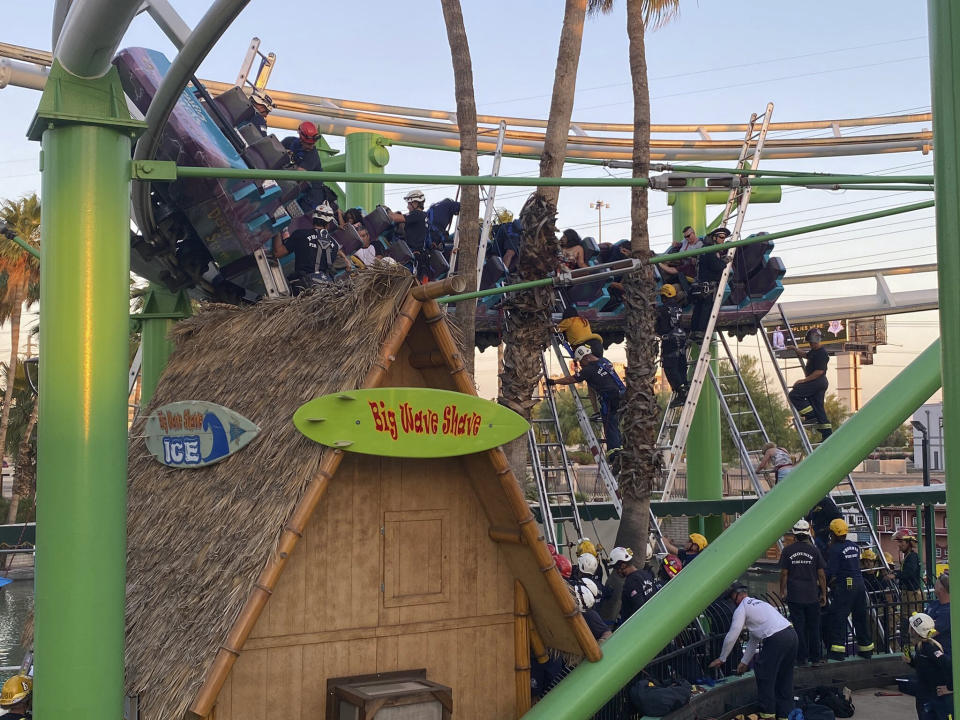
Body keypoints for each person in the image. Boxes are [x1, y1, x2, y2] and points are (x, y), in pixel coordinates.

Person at [708, 583, 798, 720]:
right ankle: (784, 715)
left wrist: (722, 658)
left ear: (736, 596)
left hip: (776, 639)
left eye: (731, 598)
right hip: (791, 635)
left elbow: (732, 635)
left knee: (764, 675)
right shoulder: (760, 604)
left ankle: (767, 715)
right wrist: (744, 662)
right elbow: (753, 640)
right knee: (784, 678)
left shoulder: (742, 608)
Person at [547, 345, 625, 457]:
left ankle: (614, 453)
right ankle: (620, 447)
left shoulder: (589, 370)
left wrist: (554, 382)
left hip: (609, 398)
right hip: (621, 394)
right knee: (615, 423)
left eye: (581, 361)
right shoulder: (605, 361)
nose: (581, 365)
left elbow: (571, 379)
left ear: (586, 357)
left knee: (609, 425)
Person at [824, 518, 874, 660]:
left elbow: (831, 571)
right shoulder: (854, 546)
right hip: (859, 583)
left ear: (832, 534)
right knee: (860, 616)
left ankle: (838, 651)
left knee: (838, 616)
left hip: (848, 583)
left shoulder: (834, 549)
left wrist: (822, 584)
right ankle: (866, 649)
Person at [778, 519, 827, 665]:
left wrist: (782, 591)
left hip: (795, 596)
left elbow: (784, 574)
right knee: (814, 627)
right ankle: (816, 658)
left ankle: (801, 658)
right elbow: (821, 575)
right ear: (807, 533)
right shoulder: (814, 550)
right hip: (812, 596)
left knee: (799, 627)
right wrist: (824, 593)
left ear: (794, 534)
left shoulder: (787, 551)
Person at [274, 203, 339, 294]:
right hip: (322, 292)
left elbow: (278, 253)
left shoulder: (300, 234)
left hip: (301, 289)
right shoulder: (335, 246)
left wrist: (277, 230)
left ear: (313, 219)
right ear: (328, 224)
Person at [904, 612, 953, 720]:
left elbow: (949, 664)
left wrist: (950, 688)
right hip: (925, 694)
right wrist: (911, 662)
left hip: (935, 698)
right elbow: (925, 668)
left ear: (914, 631)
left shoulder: (929, 648)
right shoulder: (920, 647)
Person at [788, 328, 833, 441]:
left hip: (817, 382)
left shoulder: (822, 353)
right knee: (819, 408)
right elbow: (806, 355)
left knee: (795, 394)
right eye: (810, 342)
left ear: (817, 340)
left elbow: (819, 371)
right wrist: (795, 349)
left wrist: (804, 380)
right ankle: (827, 434)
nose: (811, 344)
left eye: (812, 342)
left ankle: (811, 416)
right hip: (818, 383)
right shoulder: (815, 351)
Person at [689, 227, 732, 343]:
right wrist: (724, 261)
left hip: (700, 285)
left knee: (698, 308)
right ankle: (701, 333)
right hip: (708, 286)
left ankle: (694, 332)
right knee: (706, 309)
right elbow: (716, 265)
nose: (723, 240)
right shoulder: (711, 250)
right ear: (715, 238)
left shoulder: (704, 249)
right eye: (721, 237)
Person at [887, 528, 926, 644]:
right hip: (909, 594)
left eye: (901, 542)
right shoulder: (909, 557)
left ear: (909, 542)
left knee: (909, 624)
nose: (899, 545)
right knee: (907, 623)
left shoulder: (912, 557)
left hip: (911, 595)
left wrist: (895, 575)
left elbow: (909, 573)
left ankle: (909, 648)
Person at [390, 189, 432, 282]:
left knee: (407, 282)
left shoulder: (417, 214)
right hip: (422, 257)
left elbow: (396, 218)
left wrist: (386, 211)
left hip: (414, 255)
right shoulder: (425, 216)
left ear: (416, 203)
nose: (408, 207)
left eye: (409, 204)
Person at [608, 546, 656, 625]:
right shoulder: (646, 574)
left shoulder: (631, 583)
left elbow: (639, 608)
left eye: (616, 568)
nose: (616, 572)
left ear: (623, 565)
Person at [655, 304, 688, 406]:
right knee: (680, 365)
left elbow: (658, 324)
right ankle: (684, 386)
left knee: (670, 368)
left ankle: (681, 392)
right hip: (681, 338)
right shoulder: (678, 308)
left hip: (670, 341)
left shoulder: (663, 310)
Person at [926, 573, 951, 655]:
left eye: (936, 583)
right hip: (927, 650)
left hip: (942, 653)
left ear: (942, 588)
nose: (934, 585)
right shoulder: (934, 604)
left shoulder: (949, 610)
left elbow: (931, 633)